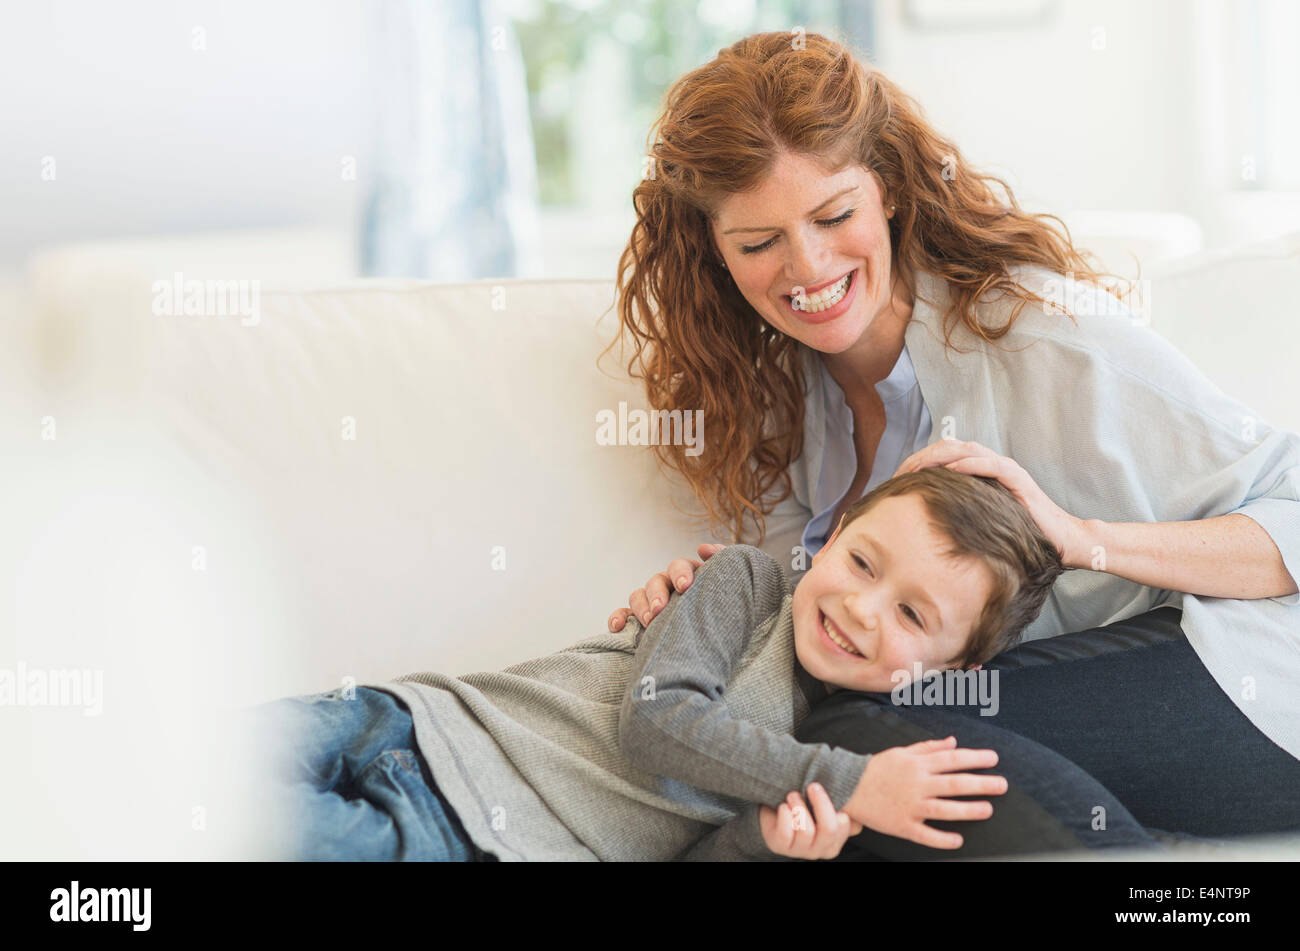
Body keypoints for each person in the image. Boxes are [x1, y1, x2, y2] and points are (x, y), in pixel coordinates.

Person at [606, 29, 1300, 841]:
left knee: (858, 741)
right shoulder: (782, 403)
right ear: (715, 252)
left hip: (1253, 675)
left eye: (835, 215)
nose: (808, 266)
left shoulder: (1046, 339)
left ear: (890, 191)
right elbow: (811, 631)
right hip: (1067, 706)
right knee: (842, 773)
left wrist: (1084, 539)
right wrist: (699, 604)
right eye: (759, 243)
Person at [248, 468, 1154, 861]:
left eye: (913, 613)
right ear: (831, 536)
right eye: (861, 562)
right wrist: (852, 782)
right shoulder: (745, 580)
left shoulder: (811, 749)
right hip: (414, 723)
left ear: (949, 666)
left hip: (473, 840)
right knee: (161, 765)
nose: (859, 607)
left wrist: (768, 842)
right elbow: (656, 717)